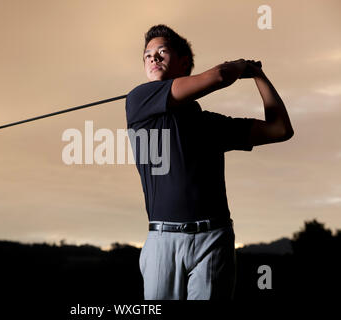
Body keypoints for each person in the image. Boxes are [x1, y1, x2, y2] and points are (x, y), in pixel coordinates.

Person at [125, 24, 294, 300]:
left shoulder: (210, 124)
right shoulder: (139, 99)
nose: (153, 58)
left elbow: (280, 129)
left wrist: (259, 76)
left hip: (214, 239)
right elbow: (218, 76)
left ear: (184, 63)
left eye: (162, 52)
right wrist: (242, 66)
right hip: (163, 241)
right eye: (147, 55)